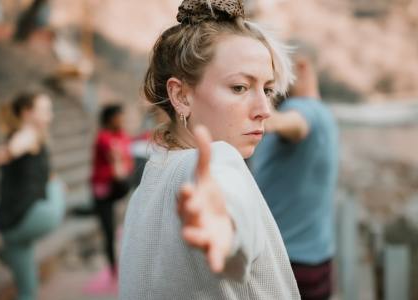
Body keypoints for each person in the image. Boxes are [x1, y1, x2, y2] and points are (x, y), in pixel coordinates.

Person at [118, 0, 300, 299]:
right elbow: (227, 202)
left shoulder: (147, 187)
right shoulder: (217, 160)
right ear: (181, 95)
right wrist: (226, 229)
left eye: (267, 89)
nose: (264, 109)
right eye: (240, 87)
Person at [251, 40, 339, 300]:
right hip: (315, 260)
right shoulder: (325, 114)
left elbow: (294, 125)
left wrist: (256, 115)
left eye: (273, 71)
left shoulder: (300, 111)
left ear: (299, 66)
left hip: (289, 266)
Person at [0, 90, 66, 300]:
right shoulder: (27, 134)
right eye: (45, 110)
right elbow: (16, 146)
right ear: (27, 113)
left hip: (10, 227)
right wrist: (8, 152)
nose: (50, 115)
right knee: (57, 187)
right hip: (27, 217)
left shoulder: (30, 136)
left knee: (28, 291)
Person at [90, 103, 134, 277]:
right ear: (110, 119)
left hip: (118, 188)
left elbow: (127, 163)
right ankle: (113, 270)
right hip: (103, 191)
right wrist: (120, 164)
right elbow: (118, 167)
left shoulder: (122, 136)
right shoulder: (103, 138)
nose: (122, 120)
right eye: (119, 116)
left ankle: (122, 265)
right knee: (108, 231)